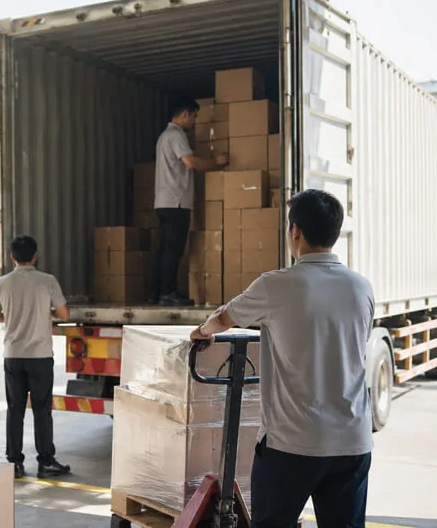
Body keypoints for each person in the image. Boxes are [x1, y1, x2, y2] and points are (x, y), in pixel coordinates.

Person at [190, 189, 374, 528]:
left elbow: (225, 318)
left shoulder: (277, 285)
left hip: (291, 444)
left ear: (295, 232)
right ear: (335, 232)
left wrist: (202, 332)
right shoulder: (361, 288)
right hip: (352, 441)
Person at [0, 236, 71, 480]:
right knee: (41, 409)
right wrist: (43, 318)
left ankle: (14, 463)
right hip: (40, 356)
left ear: (12, 257)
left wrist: (13, 320)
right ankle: (46, 462)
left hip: (13, 356)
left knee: (15, 410)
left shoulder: (2, 283)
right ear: (35, 256)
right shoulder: (48, 281)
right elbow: (64, 314)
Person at [149, 96, 229, 306]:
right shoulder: (176, 135)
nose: (194, 123)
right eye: (193, 117)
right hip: (176, 202)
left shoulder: (164, 136)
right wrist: (216, 163)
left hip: (164, 202)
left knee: (165, 249)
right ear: (184, 114)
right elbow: (190, 162)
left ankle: (156, 292)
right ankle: (168, 293)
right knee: (173, 249)